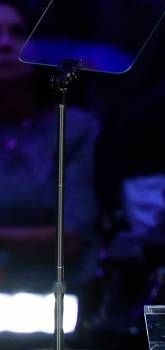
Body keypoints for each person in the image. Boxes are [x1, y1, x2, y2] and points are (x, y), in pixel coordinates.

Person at [0, 0, 99, 291]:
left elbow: (74, 237)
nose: (4, 44)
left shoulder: (74, 127)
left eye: (17, 32)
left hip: (56, 289)